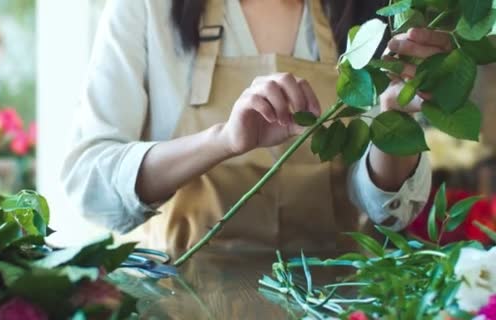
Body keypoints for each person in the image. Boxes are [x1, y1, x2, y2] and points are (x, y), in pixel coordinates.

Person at [62, 0, 446, 255]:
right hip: (171, 297)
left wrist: (396, 118)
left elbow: (389, 213)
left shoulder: (371, 14)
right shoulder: (146, 8)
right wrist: (223, 141)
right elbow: (91, 183)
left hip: (327, 300)